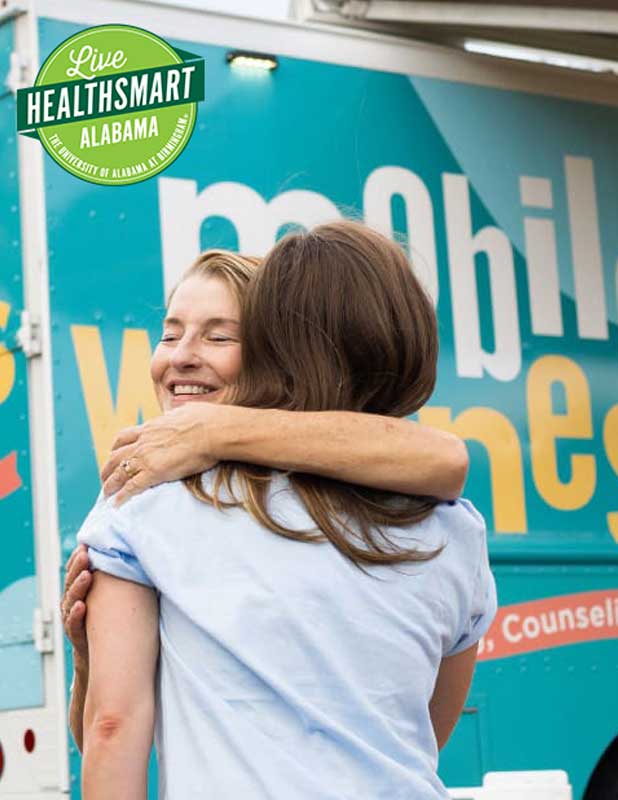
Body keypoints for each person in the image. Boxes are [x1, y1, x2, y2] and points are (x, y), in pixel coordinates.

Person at [77, 221, 496, 799]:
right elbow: (418, 735)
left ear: (273, 348)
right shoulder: (457, 533)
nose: (184, 356)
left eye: (222, 337)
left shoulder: (146, 497)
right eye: (170, 332)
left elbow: (112, 728)